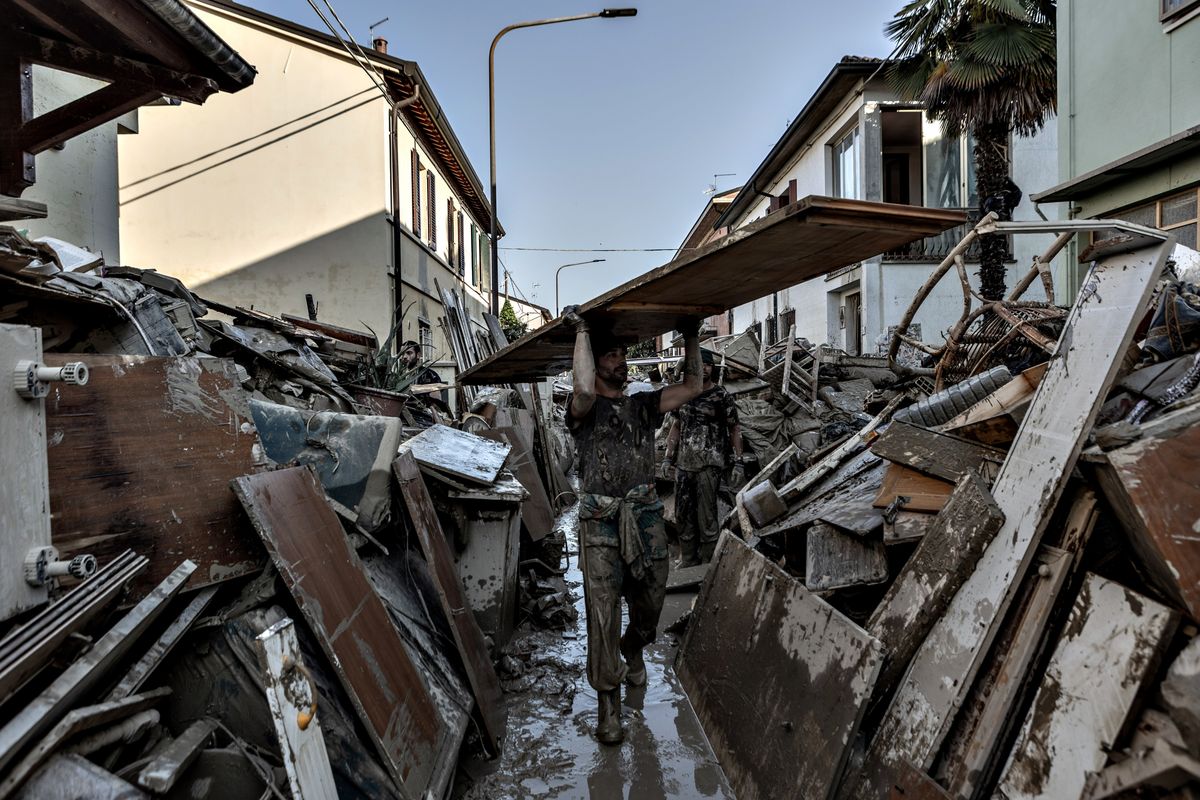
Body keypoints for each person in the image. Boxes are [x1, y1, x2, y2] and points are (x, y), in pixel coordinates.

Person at [563, 306, 703, 745]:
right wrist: (583, 330)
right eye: (612, 356)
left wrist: (691, 336)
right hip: (600, 520)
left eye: (623, 354)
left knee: (651, 602)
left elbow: (694, 385)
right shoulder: (581, 410)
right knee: (602, 612)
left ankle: (635, 647)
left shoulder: (643, 405)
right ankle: (609, 706)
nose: (621, 362)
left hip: (643, 516)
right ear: (595, 361)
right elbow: (584, 386)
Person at [663, 349, 744, 567]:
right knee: (683, 513)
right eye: (699, 365)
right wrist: (667, 457)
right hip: (685, 463)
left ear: (712, 368)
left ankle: (709, 562)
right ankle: (688, 558)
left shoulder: (720, 395)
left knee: (706, 515)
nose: (704, 368)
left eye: (707, 364)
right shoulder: (683, 394)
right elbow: (676, 426)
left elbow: (734, 428)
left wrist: (738, 462)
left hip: (711, 463)